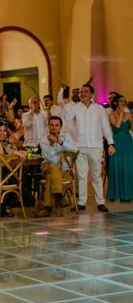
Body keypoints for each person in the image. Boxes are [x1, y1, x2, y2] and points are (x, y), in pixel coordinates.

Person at [64, 84, 114, 212]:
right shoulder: (75, 108)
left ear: (92, 94)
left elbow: (106, 127)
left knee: (96, 175)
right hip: (80, 147)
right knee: (81, 175)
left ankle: (100, 202)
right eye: (81, 92)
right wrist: (67, 101)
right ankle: (81, 202)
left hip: (96, 147)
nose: (82, 94)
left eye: (85, 91)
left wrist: (110, 143)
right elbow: (66, 117)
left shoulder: (99, 109)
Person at [39, 116, 77, 216]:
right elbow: (52, 160)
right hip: (47, 167)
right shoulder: (43, 140)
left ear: (60, 127)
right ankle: (59, 196)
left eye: (56, 125)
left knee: (50, 177)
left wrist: (60, 142)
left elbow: (75, 149)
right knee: (53, 166)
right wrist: (52, 145)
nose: (54, 127)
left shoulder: (66, 136)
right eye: (51, 125)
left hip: (64, 171)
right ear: (48, 126)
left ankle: (48, 207)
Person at [107, 94, 133, 202]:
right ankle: (116, 194)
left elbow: (131, 128)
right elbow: (117, 126)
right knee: (116, 166)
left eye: (124, 101)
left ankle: (127, 194)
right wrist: (121, 113)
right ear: (116, 102)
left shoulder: (130, 115)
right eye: (121, 101)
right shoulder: (111, 115)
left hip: (127, 141)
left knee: (128, 166)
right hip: (116, 141)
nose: (123, 103)